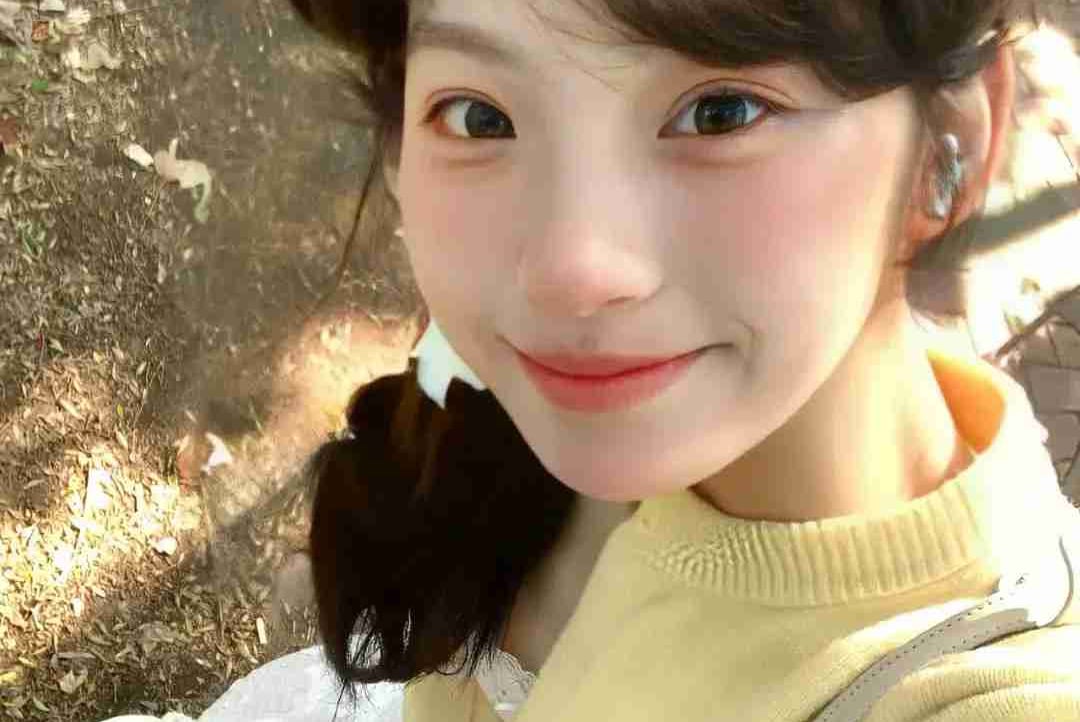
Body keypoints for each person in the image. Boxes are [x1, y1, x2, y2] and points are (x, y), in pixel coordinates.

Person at [100, 1, 1080, 720]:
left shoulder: (996, 686)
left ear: (950, 145)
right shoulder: (519, 404)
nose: (571, 269)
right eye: (480, 117)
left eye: (721, 112)